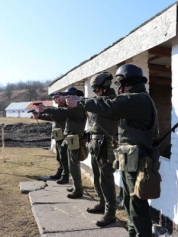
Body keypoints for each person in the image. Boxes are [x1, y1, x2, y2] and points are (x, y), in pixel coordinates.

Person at [66, 64, 158, 236]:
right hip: (131, 159)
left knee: (137, 203)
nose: (117, 88)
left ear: (124, 82)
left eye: (118, 84)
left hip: (139, 160)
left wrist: (80, 102)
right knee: (130, 201)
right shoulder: (137, 99)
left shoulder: (139, 99)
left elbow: (111, 105)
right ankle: (132, 232)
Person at [84, 72, 120, 227]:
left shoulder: (113, 101)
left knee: (106, 179)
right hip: (95, 143)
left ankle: (110, 212)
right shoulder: (98, 100)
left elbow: (106, 108)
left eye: (97, 88)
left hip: (106, 145)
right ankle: (100, 203)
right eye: (94, 89)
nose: (95, 92)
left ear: (105, 86)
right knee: (97, 176)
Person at [38, 87, 87, 198]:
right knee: (72, 164)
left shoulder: (77, 108)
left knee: (73, 166)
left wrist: (46, 109)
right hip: (71, 138)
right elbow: (60, 112)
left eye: (69, 96)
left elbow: (61, 112)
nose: (66, 99)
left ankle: (78, 190)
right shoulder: (73, 107)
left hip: (75, 138)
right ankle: (76, 187)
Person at [32, 93, 69, 184]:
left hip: (64, 135)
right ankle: (60, 172)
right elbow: (52, 116)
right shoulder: (59, 108)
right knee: (59, 156)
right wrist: (39, 115)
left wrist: (45, 109)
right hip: (58, 135)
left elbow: (58, 114)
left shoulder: (66, 107)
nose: (56, 100)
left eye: (57, 97)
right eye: (54, 99)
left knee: (64, 156)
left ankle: (65, 175)